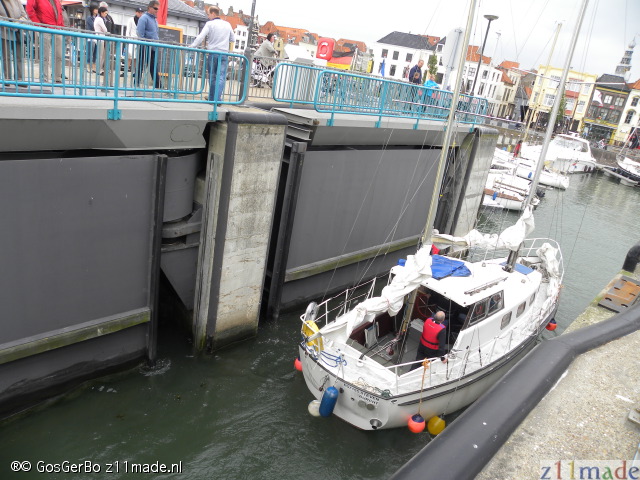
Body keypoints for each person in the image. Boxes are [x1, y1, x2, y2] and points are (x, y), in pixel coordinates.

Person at [189, 5, 234, 102]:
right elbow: (232, 39)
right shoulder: (227, 24)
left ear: (213, 14)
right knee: (221, 77)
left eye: (208, 14)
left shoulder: (210, 24)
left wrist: (192, 46)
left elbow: (201, 37)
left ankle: (212, 98)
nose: (208, 16)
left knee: (212, 76)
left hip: (213, 53)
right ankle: (216, 99)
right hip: (224, 54)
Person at [26, 0, 65, 83]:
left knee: (59, 55)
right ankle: (44, 78)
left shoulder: (56, 1)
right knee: (45, 55)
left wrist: (61, 27)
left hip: (57, 29)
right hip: (45, 28)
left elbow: (59, 13)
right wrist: (38, 24)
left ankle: (57, 77)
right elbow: (29, 9)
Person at [0, 0, 29, 82]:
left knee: (20, 57)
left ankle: (20, 78)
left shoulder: (17, 1)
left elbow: (24, 16)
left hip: (18, 33)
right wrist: (9, 24)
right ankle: (7, 78)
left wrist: (16, 24)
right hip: (5, 32)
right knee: (6, 57)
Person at [136, 0, 163, 89]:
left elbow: (155, 34)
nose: (157, 10)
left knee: (153, 66)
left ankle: (158, 85)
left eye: (158, 9)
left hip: (153, 47)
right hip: (145, 46)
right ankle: (136, 84)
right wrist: (145, 44)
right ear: (149, 7)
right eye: (155, 8)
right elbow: (140, 33)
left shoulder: (154, 20)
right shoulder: (144, 18)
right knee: (141, 66)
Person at [85, 5, 98, 72]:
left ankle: (93, 67)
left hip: (96, 37)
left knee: (95, 53)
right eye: (96, 9)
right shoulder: (89, 18)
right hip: (90, 36)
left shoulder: (97, 18)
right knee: (90, 52)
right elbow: (93, 26)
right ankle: (88, 66)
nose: (97, 10)